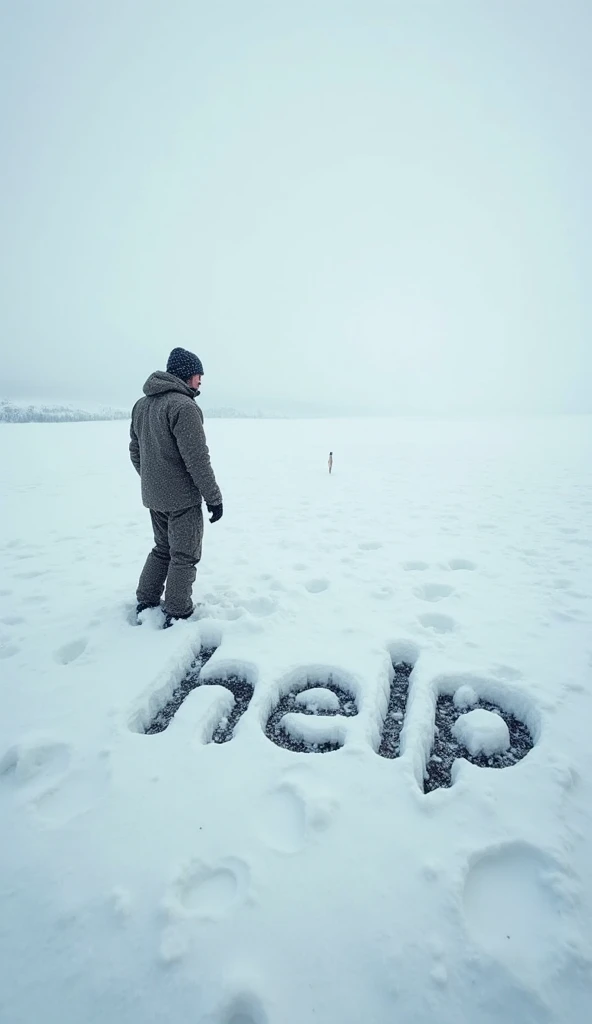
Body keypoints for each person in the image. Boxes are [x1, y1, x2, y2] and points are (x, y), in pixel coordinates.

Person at [129, 347, 223, 627]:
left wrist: (152, 479)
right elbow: (197, 459)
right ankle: (178, 609)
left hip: (154, 495)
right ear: (185, 375)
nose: (200, 381)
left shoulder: (142, 405)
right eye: (198, 375)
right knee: (184, 555)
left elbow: (136, 451)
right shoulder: (183, 406)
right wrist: (213, 498)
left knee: (163, 548)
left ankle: (146, 599)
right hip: (182, 498)